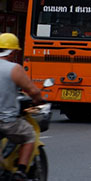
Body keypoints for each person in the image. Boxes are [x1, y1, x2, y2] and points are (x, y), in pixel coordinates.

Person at [0, 33, 43, 181]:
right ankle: (21, 172)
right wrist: (38, 100)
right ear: (12, 52)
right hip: (7, 121)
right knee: (29, 135)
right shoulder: (14, 69)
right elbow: (33, 91)